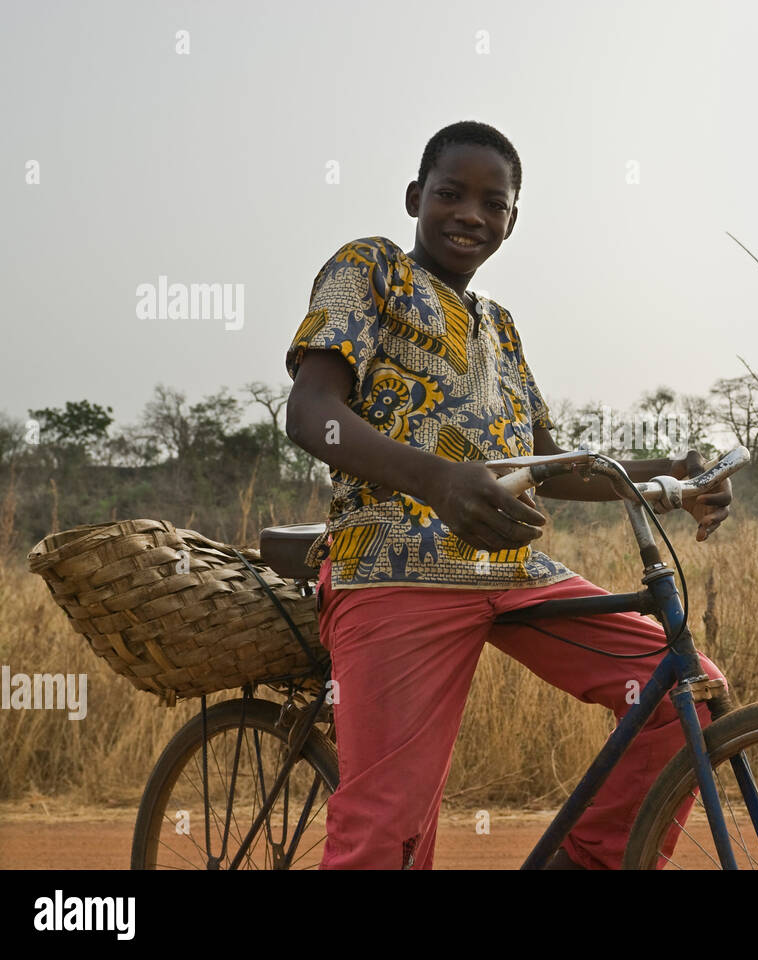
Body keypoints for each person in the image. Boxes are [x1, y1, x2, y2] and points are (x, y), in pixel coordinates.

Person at [284, 120, 733, 869]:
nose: (470, 214)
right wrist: (438, 480)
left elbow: (550, 461)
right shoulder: (370, 269)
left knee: (686, 694)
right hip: (392, 566)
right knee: (387, 833)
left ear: (511, 222)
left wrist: (675, 475)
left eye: (493, 203)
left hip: (511, 572)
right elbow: (310, 414)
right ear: (414, 198)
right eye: (451, 194)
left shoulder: (500, 326)